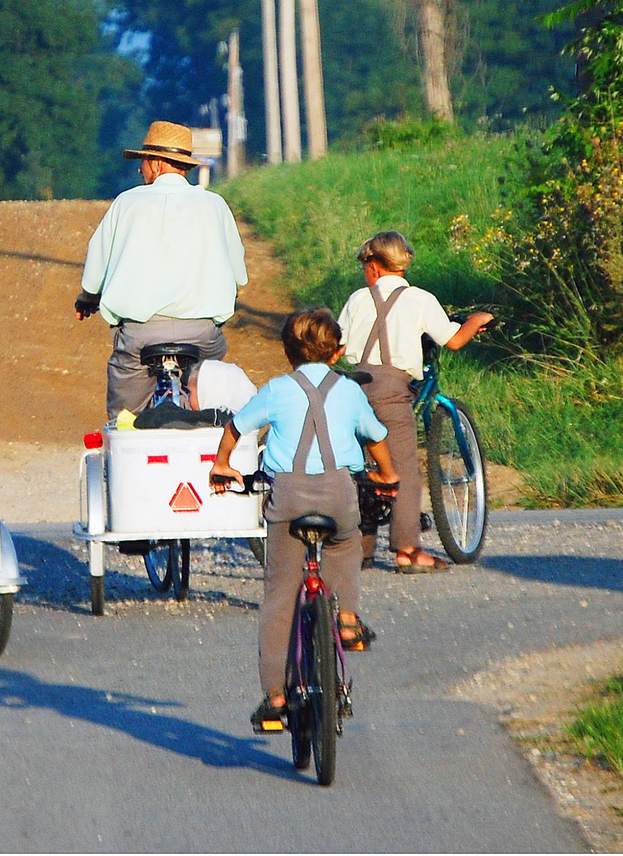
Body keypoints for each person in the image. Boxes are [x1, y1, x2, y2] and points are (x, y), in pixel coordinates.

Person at [208, 307, 398, 730]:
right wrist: (388, 474)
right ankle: (346, 618)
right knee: (346, 545)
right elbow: (377, 436)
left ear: (287, 353)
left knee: (279, 593)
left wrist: (223, 465)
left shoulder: (278, 389)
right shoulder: (349, 390)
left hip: (288, 497)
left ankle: (275, 698)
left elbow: (237, 428)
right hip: (338, 493)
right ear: (339, 353)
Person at [338, 230, 494, 572]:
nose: (364, 271)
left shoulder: (357, 300)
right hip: (392, 391)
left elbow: (337, 345)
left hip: (353, 388)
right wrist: (474, 322)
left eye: (364, 264)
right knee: (404, 469)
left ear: (376, 266)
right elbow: (452, 340)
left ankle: (361, 549)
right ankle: (407, 550)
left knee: (362, 467)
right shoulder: (420, 299)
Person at [74, 120, 249, 418]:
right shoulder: (215, 205)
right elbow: (239, 277)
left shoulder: (125, 204)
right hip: (201, 336)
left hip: (139, 336)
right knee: (212, 403)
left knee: (125, 420)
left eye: (142, 162)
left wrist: (88, 297)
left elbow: (95, 271)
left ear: (155, 164)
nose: (140, 170)